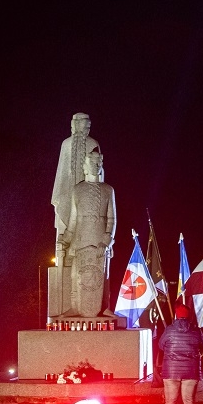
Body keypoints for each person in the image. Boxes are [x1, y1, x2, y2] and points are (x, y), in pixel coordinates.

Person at [58, 151, 116, 317]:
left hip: (100, 242)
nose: (96, 165)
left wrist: (106, 241)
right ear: (85, 165)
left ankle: (104, 307)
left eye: (99, 163)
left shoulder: (108, 190)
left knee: (103, 276)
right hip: (80, 239)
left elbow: (112, 219)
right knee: (76, 275)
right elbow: (73, 219)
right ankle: (75, 307)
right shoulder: (78, 189)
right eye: (92, 162)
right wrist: (65, 239)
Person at [52, 112, 100, 246]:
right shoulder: (66, 144)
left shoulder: (93, 143)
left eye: (89, 127)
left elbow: (98, 170)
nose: (87, 130)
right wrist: (58, 196)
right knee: (64, 223)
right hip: (66, 191)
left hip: (86, 193)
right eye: (85, 126)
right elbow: (61, 172)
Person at [159, 303, 203, 404]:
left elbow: (161, 345)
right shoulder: (196, 330)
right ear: (188, 316)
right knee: (188, 400)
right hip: (191, 370)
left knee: (170, 401)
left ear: (176, 315)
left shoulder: (169, 330)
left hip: (171, 370)